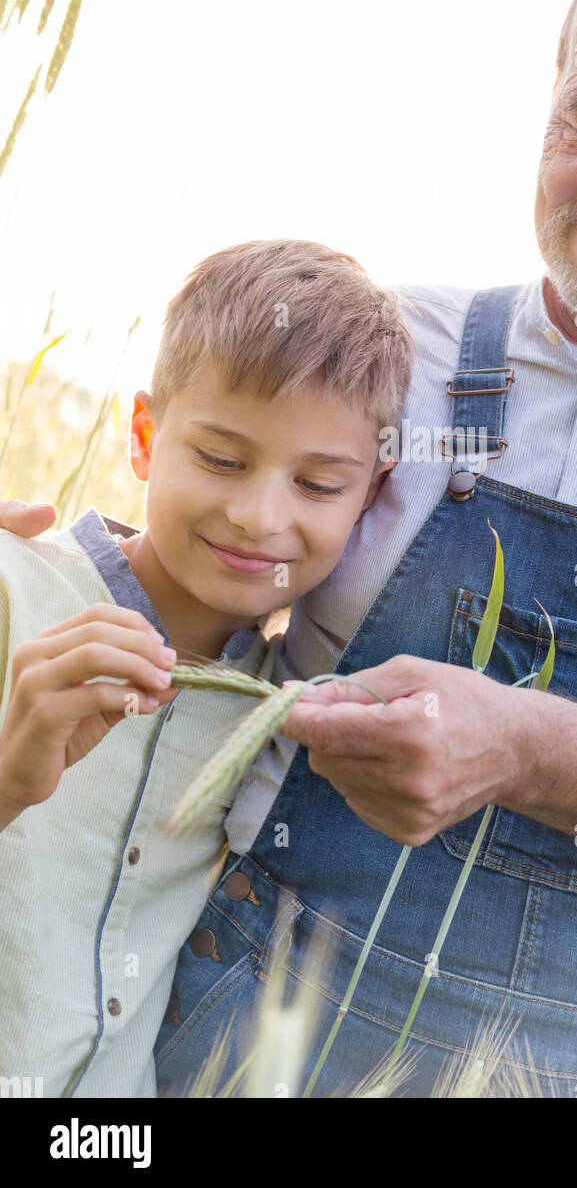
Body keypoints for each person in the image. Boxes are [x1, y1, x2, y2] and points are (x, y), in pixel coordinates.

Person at [6, 0, 577, 1099]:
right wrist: (40, 577)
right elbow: (220, 532)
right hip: (258, 1049)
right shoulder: (396, 345)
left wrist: (525, 749)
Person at [0, 239, 415, 1097]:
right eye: (222, 459)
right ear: (145, 436)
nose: (258, 515)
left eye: (318, 484)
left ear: (371, 495)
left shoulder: (279, 713)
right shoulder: (14, 588)